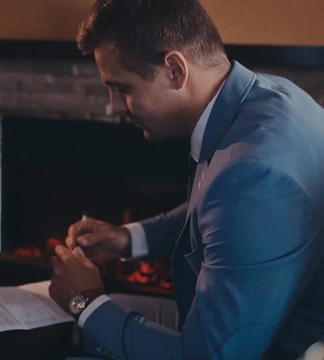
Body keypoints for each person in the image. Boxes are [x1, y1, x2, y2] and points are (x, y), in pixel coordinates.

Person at [48, 0, 324, 358]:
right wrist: (130, 238)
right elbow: (218, 205)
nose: (113, 106)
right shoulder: (267, 97)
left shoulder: (251, 176)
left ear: (175, 70)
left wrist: (85, 303)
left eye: (123, 89)